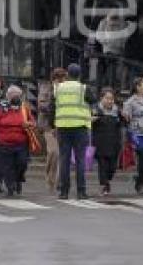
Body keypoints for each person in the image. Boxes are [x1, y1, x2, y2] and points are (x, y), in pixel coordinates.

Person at [51, 63, 96, 200]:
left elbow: (52, 107)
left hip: (63, 127)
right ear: (80, 74)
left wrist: (53, 125)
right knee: (80, 160)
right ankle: (81, 192)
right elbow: (93, 100)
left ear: (67, 74)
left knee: (64, 159)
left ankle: (64, 192)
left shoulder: (58, 88)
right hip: (80, 127)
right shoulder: (83, 88)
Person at [0, 85, 34, 197]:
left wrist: (29, 124)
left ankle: (18, 179)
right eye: (13, 95)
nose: (16, 97)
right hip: (4, 143)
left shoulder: (24, 108)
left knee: (22, 163)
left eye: (18, 95)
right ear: (8, 96)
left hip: (21, 143)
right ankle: (10, 186)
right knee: (7, 166)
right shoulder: (1, 108)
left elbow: (32, 122)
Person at [39, 68, 67, 193]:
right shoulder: (46, 89)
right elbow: (41, 105)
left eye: (63, 79)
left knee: (62, 154)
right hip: (48, 126)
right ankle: (50, 179)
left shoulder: (67, 90)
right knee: (53, 152)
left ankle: (59, 182)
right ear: (54, 80)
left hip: (62, 125)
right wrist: (53, 102)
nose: (61, 82)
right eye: (58, 79)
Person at [92, 88, 123, 196]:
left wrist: (125, 118)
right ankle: (104, 185)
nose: (110, 101)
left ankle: (107, 180)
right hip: (100, 143)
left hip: (114, 143)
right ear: (102, 98)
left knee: (112, 167)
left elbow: (123, 123)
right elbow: (88, 122)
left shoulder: (117, 111)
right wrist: (92, 120)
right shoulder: (96, 110)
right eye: (107, 98)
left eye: (112, 99)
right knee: (103, 166)